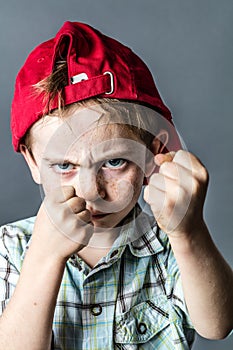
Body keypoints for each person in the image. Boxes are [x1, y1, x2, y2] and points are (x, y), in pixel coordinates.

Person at [0, 21, 232, 350]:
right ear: (34, 162)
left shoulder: (169, 244)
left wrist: (189, 231)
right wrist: (43, 259)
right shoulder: (9, 249)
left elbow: (218, 325)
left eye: (114, 162)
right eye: (65, 166)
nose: (91, 190)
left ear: (154, 153)